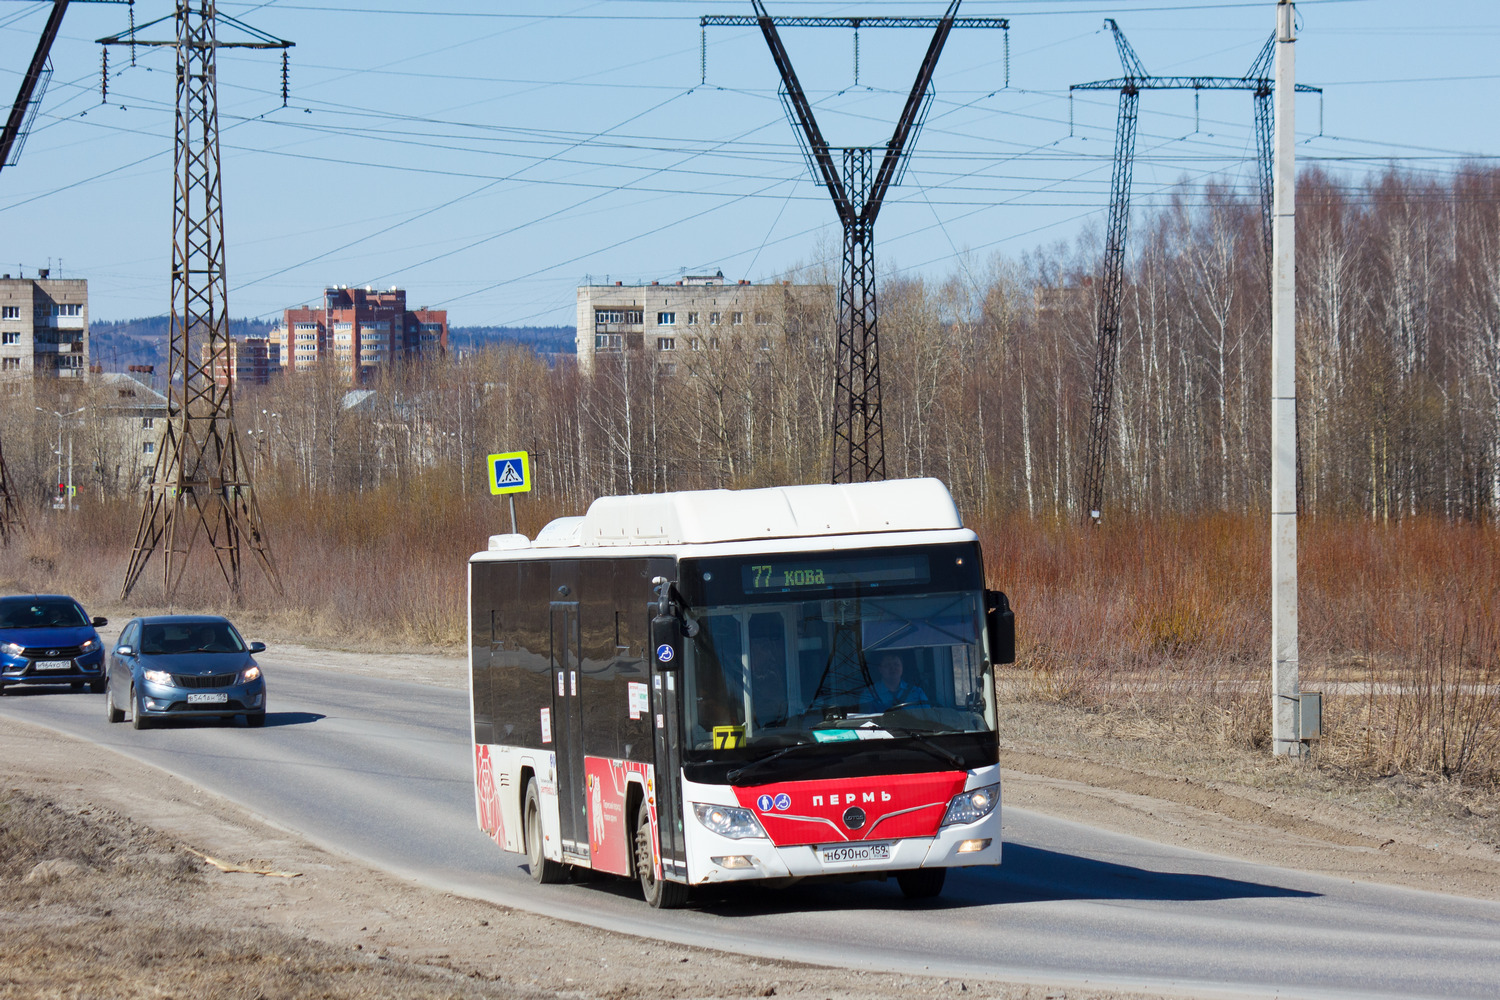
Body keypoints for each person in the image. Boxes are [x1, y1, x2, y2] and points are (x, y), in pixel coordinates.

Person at [860, 652, 928, 713]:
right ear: (880, 669)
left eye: (896, 664)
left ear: (902, 667)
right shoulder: (869, 693)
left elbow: (927, 718)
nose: (893, 668)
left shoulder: (917, 692)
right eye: (888, 665)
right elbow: (864, 720)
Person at [748, 633, 789, 728]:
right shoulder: (738, 678)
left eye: (766, 649)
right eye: (763, 649)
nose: (768, 654)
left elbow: (781, 705)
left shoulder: (775, 675)